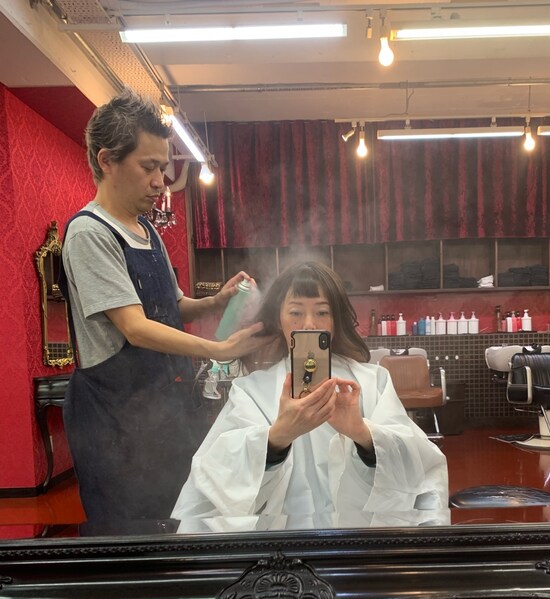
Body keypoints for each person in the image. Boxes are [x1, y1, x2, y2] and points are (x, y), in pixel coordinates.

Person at [60, 89, 272, 531]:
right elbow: (135, 328)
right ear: (107, 160)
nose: (161, 182)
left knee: (178, 517)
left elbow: (172, 307)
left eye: (164, 167)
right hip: (117, 416)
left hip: (166, 406)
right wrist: (218, 349)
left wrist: (215, 301)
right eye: (149, 167)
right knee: (130, 533)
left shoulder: (146, 231)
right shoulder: (90, 233)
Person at [172, 262, 449, 532]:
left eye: (322, 312)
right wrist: (276, 439)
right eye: (295, 312)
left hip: (359, 541)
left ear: (336, 319)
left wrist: (363, 435)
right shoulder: (252, 390)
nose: (308, 323)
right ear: (278, 319)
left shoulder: (371, 381)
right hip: (284, 546)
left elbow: (419, 465)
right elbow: (215, 475)